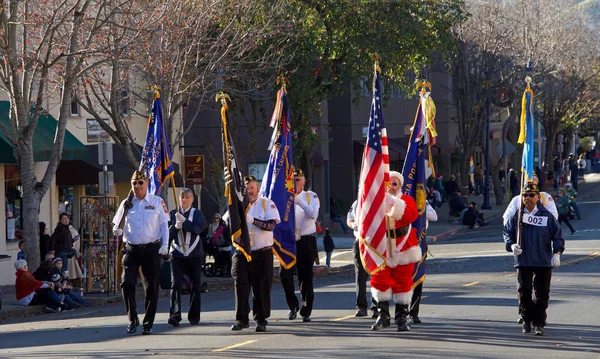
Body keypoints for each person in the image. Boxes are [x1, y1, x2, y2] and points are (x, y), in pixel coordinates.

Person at [112, 170, 170, 335]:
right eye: (134, 183)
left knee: (151, 287)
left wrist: (165, 244)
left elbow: (164, 225)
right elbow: (117, 227)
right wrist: (118, 226)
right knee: (126, 283)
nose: (137, 186)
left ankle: (148, 323)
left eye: (140, 183)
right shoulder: (126, 203)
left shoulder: (156, 201)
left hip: (151, 249)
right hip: (131, 249)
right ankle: (132, 318)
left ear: (147, 184)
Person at [503, 182, 565, 336]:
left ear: (538, 197)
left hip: (543, 260)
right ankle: (526, 319)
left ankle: (539, 322)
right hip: (523, 260)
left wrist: (557, 253)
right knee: (524, 291)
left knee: (542, 293)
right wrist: (511, 246)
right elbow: (508, 232)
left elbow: (557, 236)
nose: (528, 198)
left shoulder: (546, 216)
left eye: (531, 195)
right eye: (525, 195)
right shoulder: (517, 216)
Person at [370, 171, 421, 332]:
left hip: (403, 248)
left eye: (394, 184)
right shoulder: (376, 201)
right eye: (388, 184)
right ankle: (383, 316)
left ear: (400, 186)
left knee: (403, 284)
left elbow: (410, 215)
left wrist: (392, 202)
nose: (390, 187)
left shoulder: (406, 200)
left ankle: (401, 318)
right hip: (382, 248)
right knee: (380, 282)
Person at [231, 175, 280, 332]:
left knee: (261, 287)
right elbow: (227, 223)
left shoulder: (267, 204)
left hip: (262, 252)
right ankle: (241, 319)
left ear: (258, 189)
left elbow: (271, 226)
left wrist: (252, 220)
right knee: (240, 282)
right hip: (243, 252)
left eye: (252, 187)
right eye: (247, 188)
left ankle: (261, 319)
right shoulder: (239, 205)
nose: (249, 191)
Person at [281, 168, 320, 322]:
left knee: (305, 277)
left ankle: (306, 309)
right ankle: (292, 306)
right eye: (293, 180)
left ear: (304, 181)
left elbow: (313, 215)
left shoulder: (311, 196)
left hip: (305, 240)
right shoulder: (285, 198)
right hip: (288, 240)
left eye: (298, 179)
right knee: (285, 274)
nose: (295, 182)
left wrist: (299, 201)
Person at [167, 188, 206, 327]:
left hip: (194, 254)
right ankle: (175, 315)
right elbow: (167, 235)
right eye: (182, 197)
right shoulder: (173, 214)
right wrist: (175, 227)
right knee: (175, 284)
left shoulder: (197, 214)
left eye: (187, 197)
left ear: (192, 199)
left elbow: (199, 229)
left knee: (195, 286)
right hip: (177, 254)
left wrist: (185, 223)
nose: (184, 200)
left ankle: (194, 316)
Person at [347, 200, 378, 318]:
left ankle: (376, 307)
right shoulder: (356, 203)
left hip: (375, 243)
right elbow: (349, 220)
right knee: (360, 275)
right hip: (360, 242)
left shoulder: (378, 200)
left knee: (376, 275)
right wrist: (354, 225)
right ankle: (361, 307)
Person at [409, 201, 438, 324]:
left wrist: (422, 206)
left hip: (419, 242)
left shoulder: (422, 201)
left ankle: (413, 312)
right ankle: (401, 311)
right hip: (403, 242)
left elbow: (434, 217)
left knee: (418, 277)